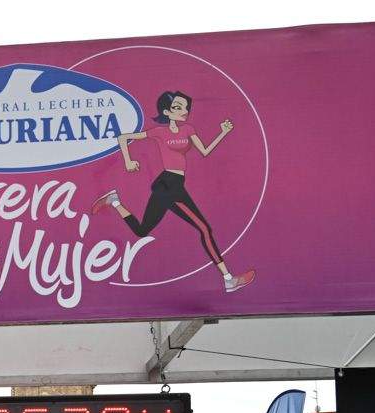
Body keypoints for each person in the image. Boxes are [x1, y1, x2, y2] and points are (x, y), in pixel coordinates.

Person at [91, 90, 254, 294]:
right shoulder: (159, 132)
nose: (183, 111)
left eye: (186, 108)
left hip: (174, 184)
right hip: (168, 185)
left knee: (141, 231)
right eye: (178, 107)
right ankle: (228, 279)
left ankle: (114, 201)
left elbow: (204, 151)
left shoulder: (188, 129)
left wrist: (223, 132)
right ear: (167, 112)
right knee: (204, 229)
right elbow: (123, 138)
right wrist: (128, 161)